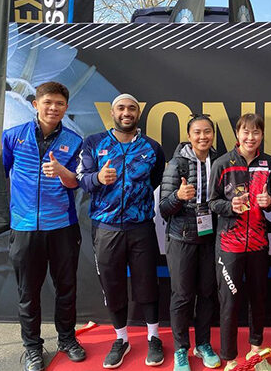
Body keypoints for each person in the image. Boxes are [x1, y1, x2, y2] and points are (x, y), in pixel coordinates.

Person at [77, 93, 165, 369]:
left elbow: (155, 179)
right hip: (106, 228)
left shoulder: (152, 147)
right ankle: (122, 339)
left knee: (147, 282)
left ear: (138, 114)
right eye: (121, 108)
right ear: (112, 113)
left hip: (141, 227)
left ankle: (153, 337)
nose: (126, 112)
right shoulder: (93, 142)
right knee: (112, 284)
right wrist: (98, 178)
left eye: (132, 108)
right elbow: (82, 178)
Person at [2, 81, 86, 371]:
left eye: (59, 104)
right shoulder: (13, 136)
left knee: (66, 288)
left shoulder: (74, 142)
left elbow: (77, 182)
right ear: (35, 104)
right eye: (47, 102)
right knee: (28, 292)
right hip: (24, 228)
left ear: (66, 108)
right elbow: (3, 175)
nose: (53, 108)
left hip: (62, 226)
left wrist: (63, 173)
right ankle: (33, 348)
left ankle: (67, 339)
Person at [208, 113, 271, 371]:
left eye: (256, 133)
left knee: (258, 298)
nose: (250, 137)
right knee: (230, 302)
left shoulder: (270, 164)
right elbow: (212, 201)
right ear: (237, 134)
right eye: (246, 132)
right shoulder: (223, 163)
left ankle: (256, 351)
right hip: (229, 245)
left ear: (261, 135)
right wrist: (230, 206)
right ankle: (230, 357)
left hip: (258, 244)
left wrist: (270, 203)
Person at [159, 114, 220, 371]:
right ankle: (181, 349)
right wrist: (178, 196)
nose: (203, 136)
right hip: (181, 237)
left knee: (206, 294)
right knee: (182, 295)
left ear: (213, 135)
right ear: (189, 135)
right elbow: (163, 208)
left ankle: (203, 344)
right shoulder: (177, 164)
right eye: (197, 132)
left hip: (210, 237)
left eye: (207, 132)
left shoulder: (219, 161)